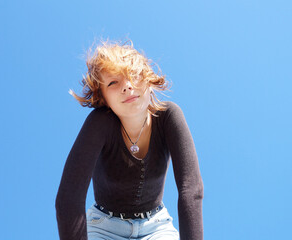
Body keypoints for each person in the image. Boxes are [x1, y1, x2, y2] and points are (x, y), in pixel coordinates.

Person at [55, 40, 204, 240]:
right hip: (103, 227)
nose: (127, 86)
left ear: (149, 81)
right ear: (103, 99)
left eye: (134, 75)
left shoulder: (169, 116)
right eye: (113, 83)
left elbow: (191, 190)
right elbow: (68, 199)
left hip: (156, 227)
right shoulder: (99, 123)